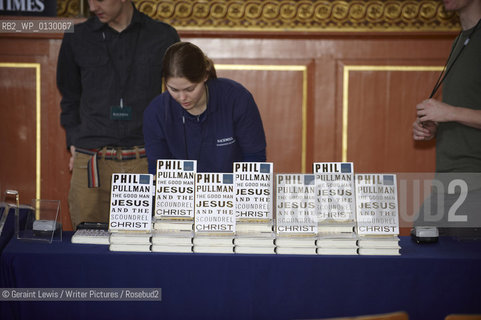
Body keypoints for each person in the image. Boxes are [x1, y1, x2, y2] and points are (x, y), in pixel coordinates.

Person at [56, 0, 179, 229]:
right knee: (86, 247)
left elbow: (178, 97)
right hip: (91, 162)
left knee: (140, 251)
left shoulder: (162, 35)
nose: (93, 7)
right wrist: (73, 142)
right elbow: (70, 96)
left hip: (144, 160)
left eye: (100, 0)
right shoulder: (77, 36)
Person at [143, 42, 267, 174]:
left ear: (205, 76)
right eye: (173, 89)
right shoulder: (156, 112)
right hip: (183, 193)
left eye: (190, 89)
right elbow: (158, 171)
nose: (182, 97)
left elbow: (254, 159)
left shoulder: (237, 99)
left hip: (233, 190)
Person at [412, 0, 481, 237]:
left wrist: (448, 112)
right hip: (448, 184)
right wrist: (435, 126)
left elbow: (456, 111)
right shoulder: (461, 40)